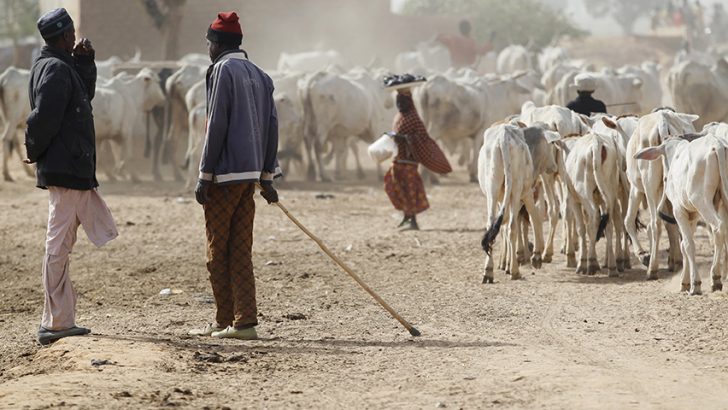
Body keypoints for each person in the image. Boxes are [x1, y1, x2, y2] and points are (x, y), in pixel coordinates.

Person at [24, 8, 118, 345]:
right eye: (72, 33)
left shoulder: (60, 66)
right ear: (64, 36)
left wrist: (86, 62)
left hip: (71, 168)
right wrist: (34, 150)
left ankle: (60, 319)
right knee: (58, 243)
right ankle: (56, 322)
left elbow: (81, 100)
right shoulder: (55, 69)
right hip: (66, 168)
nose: (76, 37)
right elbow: (41, 119)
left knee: (63, 241)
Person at [189, 11, 281, 340]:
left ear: (218, 44)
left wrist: (204, 175)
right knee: (240, 249)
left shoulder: (220, 71)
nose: (208, 50)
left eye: (209, 44)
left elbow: (216, 124)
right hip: (250, 179)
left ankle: (224, 318)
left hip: (224, 177)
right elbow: (272, 126)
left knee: (217, 251)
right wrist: (267, 177)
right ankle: (245, 322)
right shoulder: (261, 75)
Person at [382, 75, 451, 231]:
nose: (400, 102)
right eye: (398, 99)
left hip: (409, 162)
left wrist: (401, 138)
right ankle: (406, 217)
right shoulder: (399, 116)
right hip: (398, 159)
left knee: (409, 190)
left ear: (409, 101)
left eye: (403, 100)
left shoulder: (413, 117)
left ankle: (412, 221)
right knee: (394, 186)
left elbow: (421, 137)